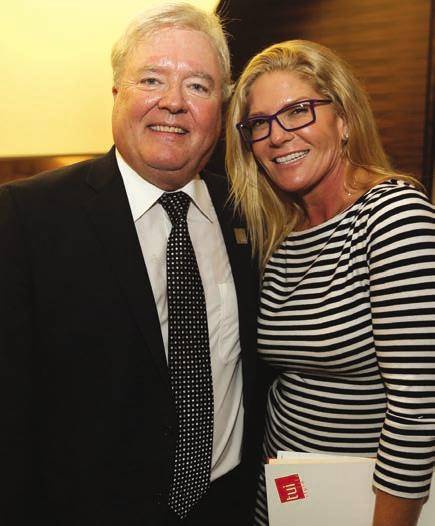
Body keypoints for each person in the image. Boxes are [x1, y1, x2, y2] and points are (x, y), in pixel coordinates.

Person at [0, 3, 260, 525]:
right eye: (152, 79)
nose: (173, 102)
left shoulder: (249, 213)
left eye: (198, 86)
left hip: (228, 507)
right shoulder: (25, 217)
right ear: (117, 91)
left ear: (223, 108)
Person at [226, 39, 435, 526]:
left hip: (366, 503)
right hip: (286, 496)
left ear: (344, 120)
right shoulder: (283, 231)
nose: (277, 136)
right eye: (259, 123)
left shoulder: (394, 217)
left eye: (298, 111)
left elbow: (418, 408)